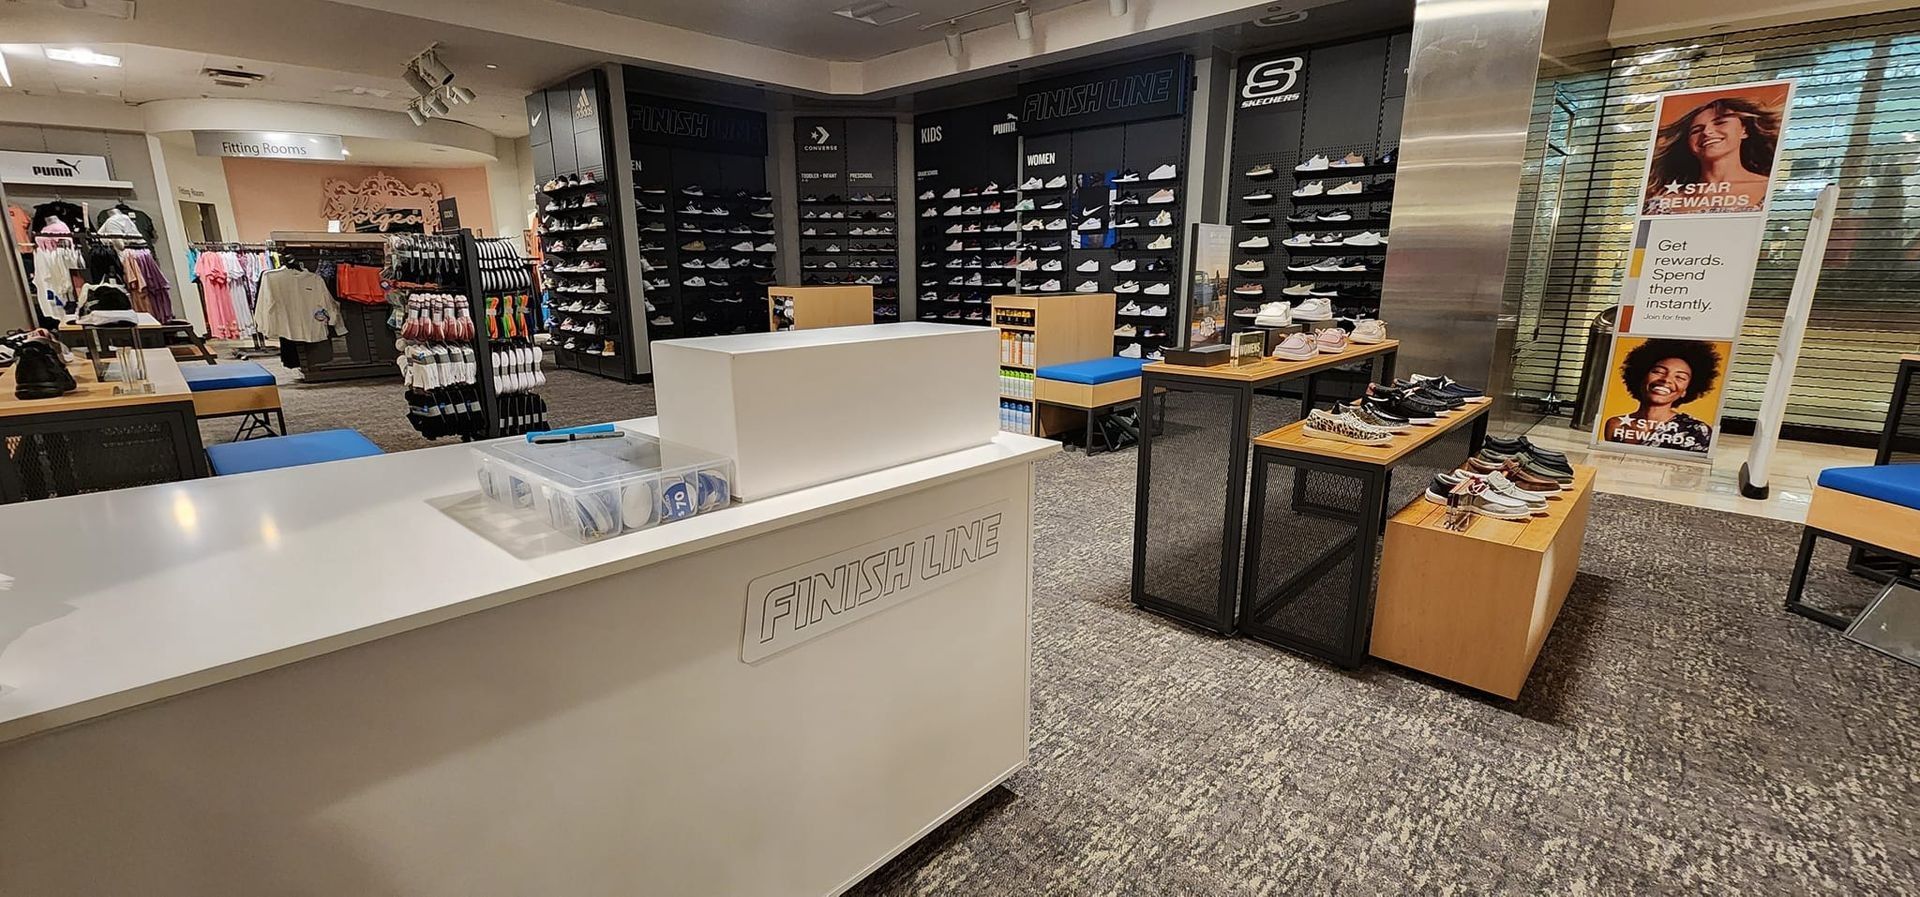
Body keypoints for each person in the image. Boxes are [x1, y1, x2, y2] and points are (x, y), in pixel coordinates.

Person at [1642, 96, 1781, 215]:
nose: (1707, 132)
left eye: (1720, 123)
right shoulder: (1662, 203)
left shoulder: (1771, 190)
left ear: (1744, 131)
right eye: (1697, 130)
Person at [1603, 338, 1721, 453]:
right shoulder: (1616, 425)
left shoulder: (1698, 431)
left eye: (1680, 377)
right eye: (1658, 372)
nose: (1666, 380)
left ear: (1686, 391)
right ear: (1641, 376)